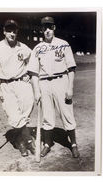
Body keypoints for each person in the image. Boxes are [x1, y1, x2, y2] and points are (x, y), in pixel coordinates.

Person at [28, 16, 80, 158]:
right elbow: (33, 72)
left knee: (66, 113)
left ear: (54, 28)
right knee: (47, 117)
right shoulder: (37, 48)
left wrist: (70, 88)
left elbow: (71, 68)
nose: (47, 30)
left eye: (50, 27)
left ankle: (73, 144)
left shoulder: (63, 44)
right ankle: (47, 144)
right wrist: (36, 91)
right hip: (44, 82)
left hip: (61, 81)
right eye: (45, 27)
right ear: (42, 29)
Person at [0, 19, 35, 157]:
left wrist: (29, 74)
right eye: (9, 30)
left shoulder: (23, 47)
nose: (12, 33)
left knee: (27, 109)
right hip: (6, 85)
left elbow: (33, 62)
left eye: (14, 30)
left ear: (17, 31)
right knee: (13, 114)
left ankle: (20, 138)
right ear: (4, 31)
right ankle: (26, 141)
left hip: (22, 83)